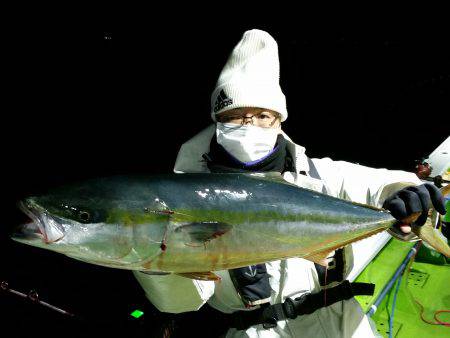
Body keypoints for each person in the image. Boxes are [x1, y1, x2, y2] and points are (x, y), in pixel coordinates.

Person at [134, 29, 445, 337]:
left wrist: (409, 198)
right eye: (234, 115)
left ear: (278, 120)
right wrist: (151, 260)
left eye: (261, 116)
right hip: (250, 331)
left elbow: (383, 184)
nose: (248, 125)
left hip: (340, 323)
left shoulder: (319, 175)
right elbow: (179, 302)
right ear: (217, 120)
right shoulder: (191, 197)